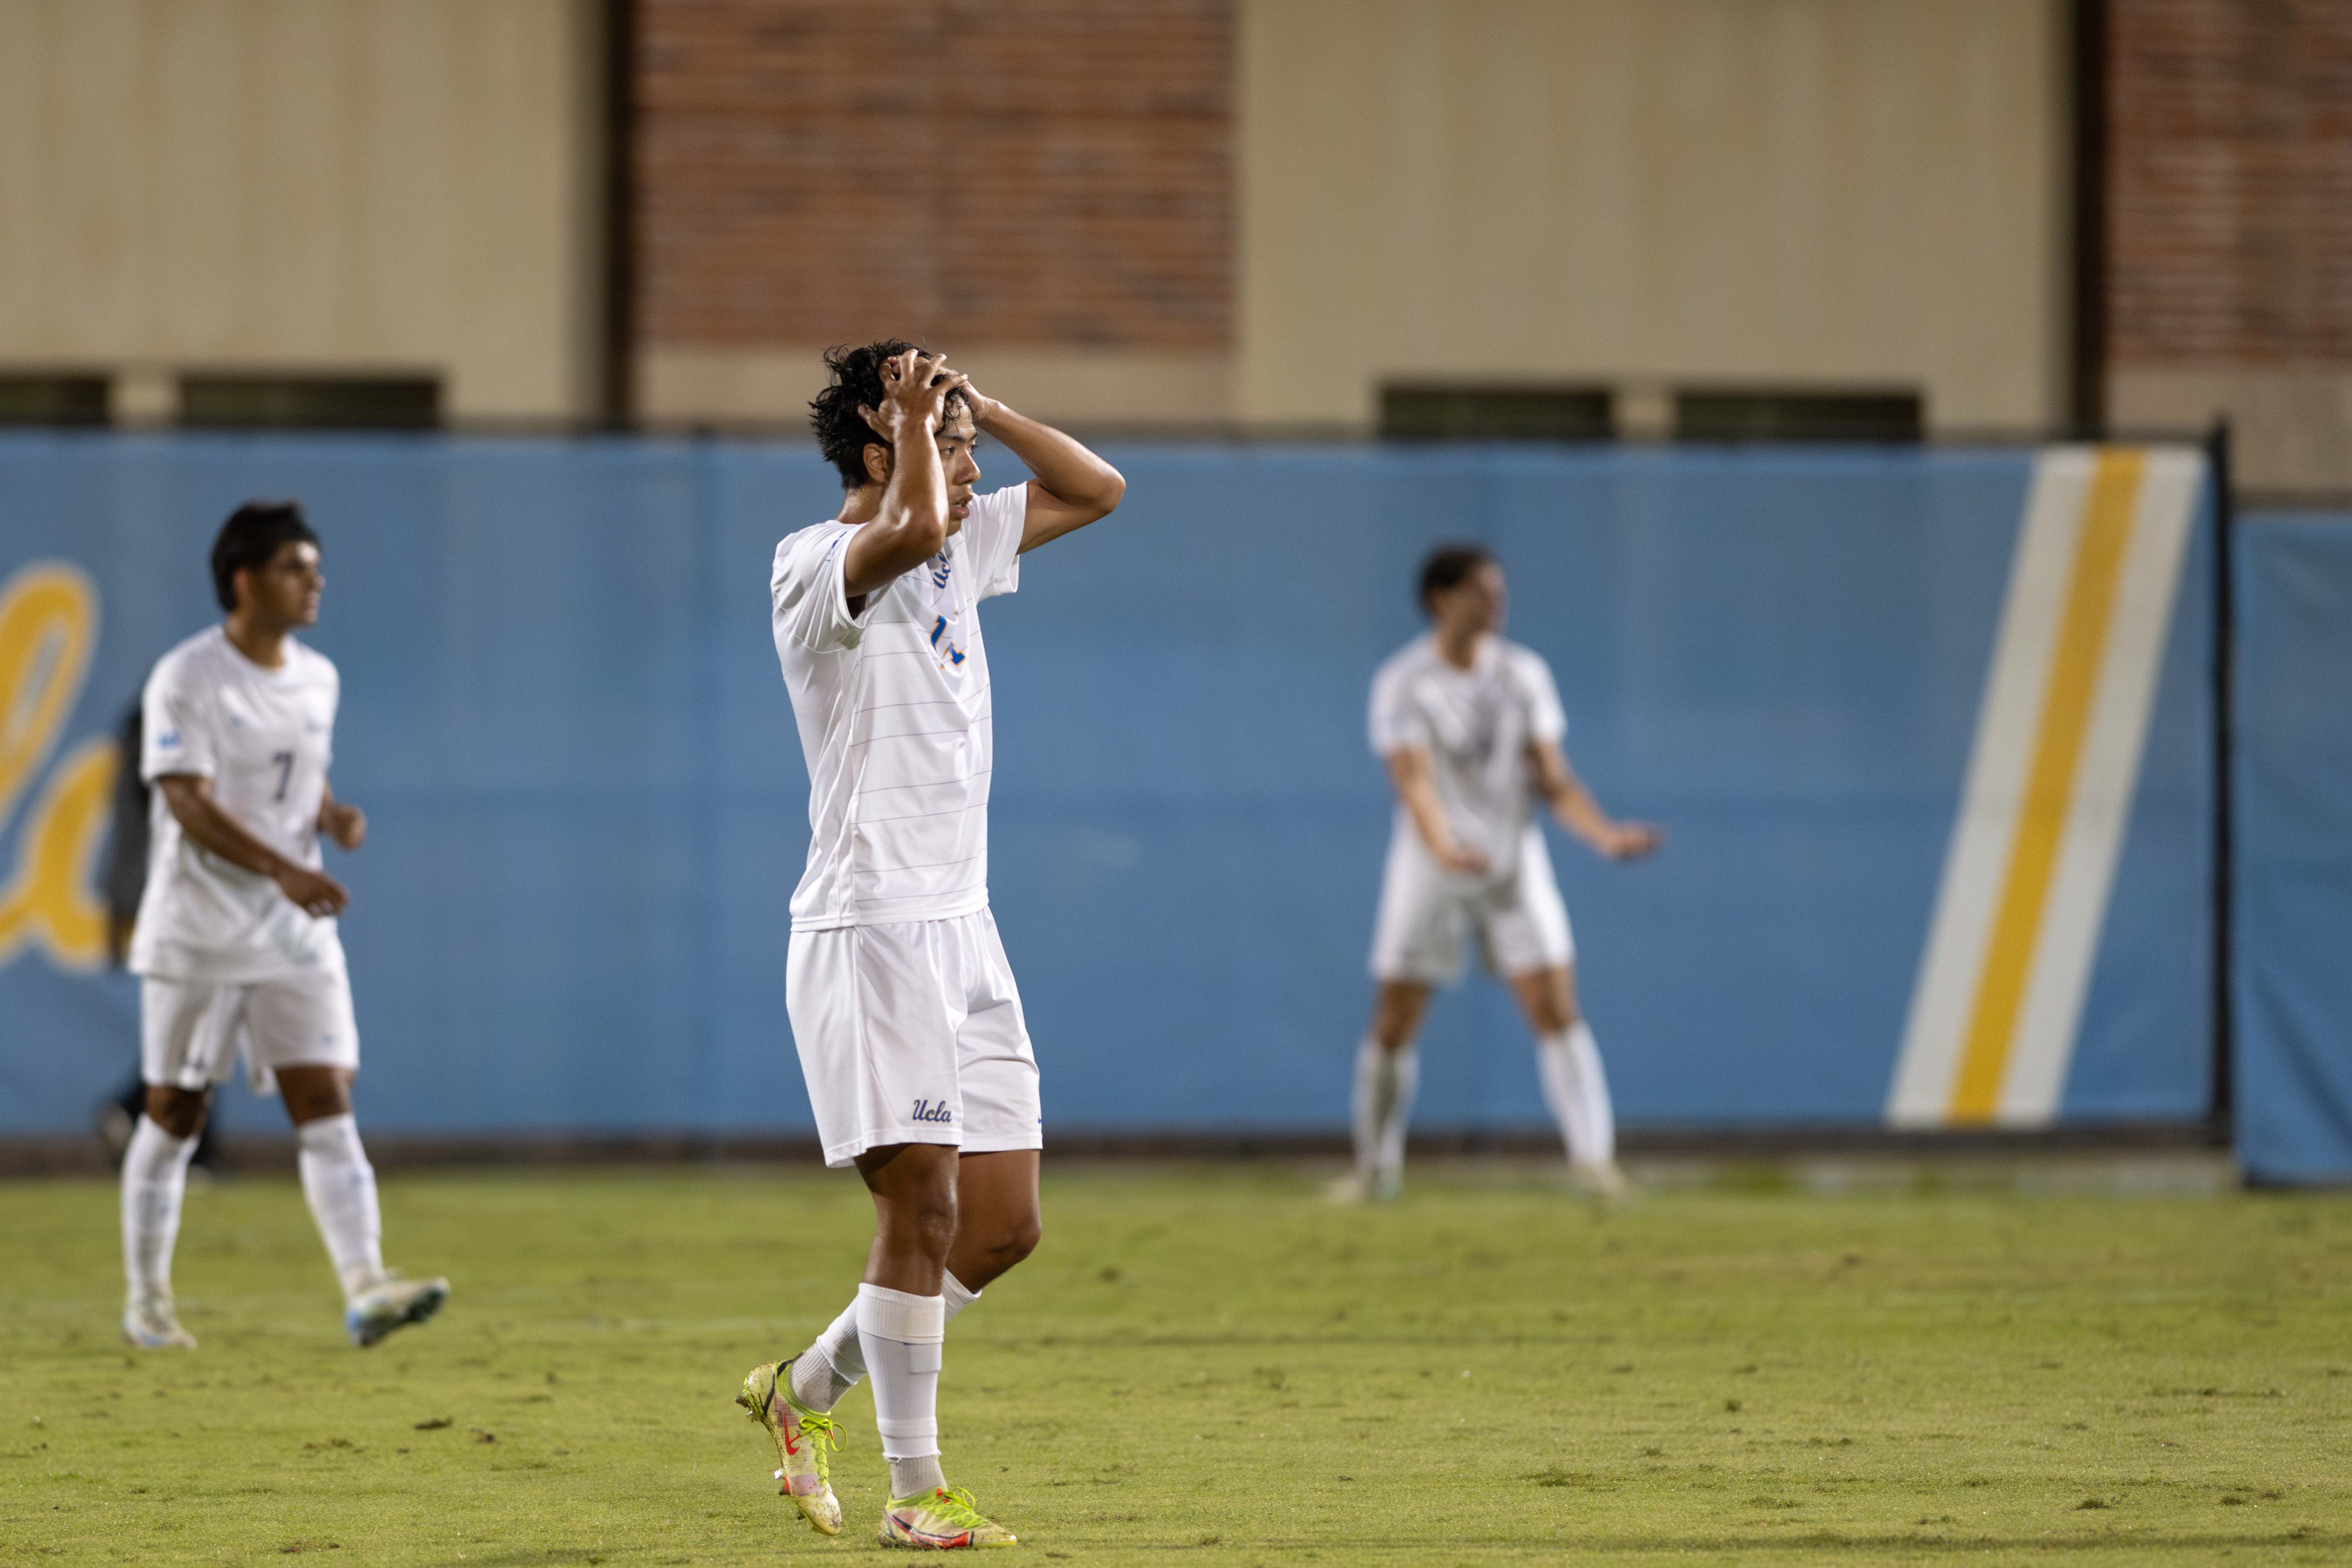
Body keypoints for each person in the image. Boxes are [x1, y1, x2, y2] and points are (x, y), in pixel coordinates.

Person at [736, 343, 1123, 1550]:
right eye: (950, 448)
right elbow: (897, 533)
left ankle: (799, 1394)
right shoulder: (817, 561)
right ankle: (916, 1493)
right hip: (871, 927)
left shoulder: (960, 538)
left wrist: (980, 406)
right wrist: (920, 435)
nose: (971, 469)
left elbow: (1097, 488)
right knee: (926, 1211)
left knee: (1002, 1228)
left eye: (965, 448)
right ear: (875, 445)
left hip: (964, 926)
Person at [119, 501, 447, 1350]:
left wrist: (330, 817)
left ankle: (367, 1284)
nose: (316, 581)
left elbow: (297, 780)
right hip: (200, 928)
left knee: (325, 1096)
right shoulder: (186, 677)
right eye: (296, 567)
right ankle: (148, 1298)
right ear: (245, 580)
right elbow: (185, 798)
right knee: (175, 1111)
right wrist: (286, 866)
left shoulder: (318, 677)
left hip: (292, 930)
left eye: (315, 565)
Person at [1339, 543, 1662, 1204]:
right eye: (1483, 591)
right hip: (1431, 870)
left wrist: (1603, 835)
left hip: (1514, 867)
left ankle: (1594, 1165)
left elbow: (1552, 777)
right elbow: (1414, 782)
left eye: (1498, 590)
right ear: (1441, 600)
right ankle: (1375, 1172)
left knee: (1555, 1007)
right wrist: (1445, 847)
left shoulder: (1524, 674)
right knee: (1395, 1020)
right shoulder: (1403, 682)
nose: (1498, 602)